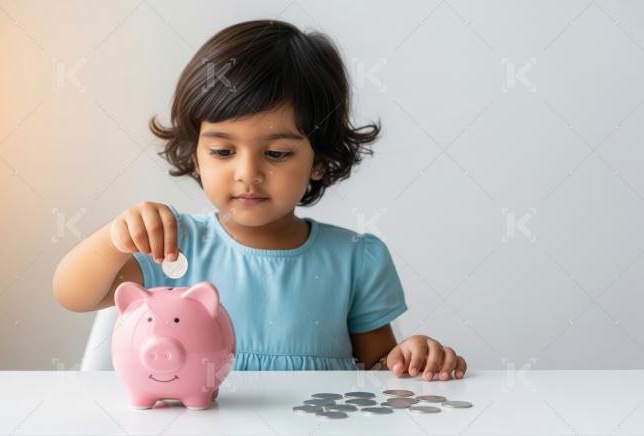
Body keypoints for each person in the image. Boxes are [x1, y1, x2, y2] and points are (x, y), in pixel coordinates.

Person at [54, 19, 467, 380]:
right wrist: (115, 238)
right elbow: (73, 295)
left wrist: (411, 358)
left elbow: (379, 369)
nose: (247, 173)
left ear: (319, 160)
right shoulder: (173, 245)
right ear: (195, 153)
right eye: (222, 151)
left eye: (277, 153)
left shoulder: (356, 259)